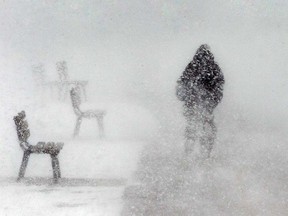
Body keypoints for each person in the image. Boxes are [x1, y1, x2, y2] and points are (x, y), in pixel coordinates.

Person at [176, 44, 224, 157]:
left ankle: (189, 151)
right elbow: (219, 86)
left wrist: (186, 97)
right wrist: (213, 101)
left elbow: (182, 84)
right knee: (206, 127)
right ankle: (206, 152)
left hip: (192, 103)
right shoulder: (214, 67)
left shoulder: (192, 66)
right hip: (206, 104)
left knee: (192, 127)